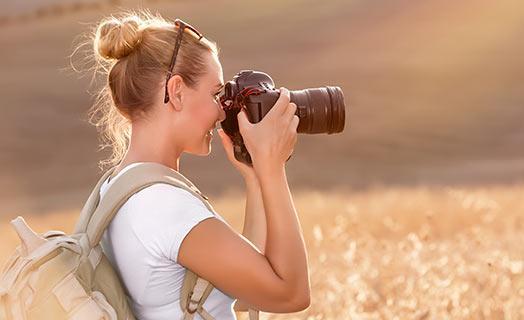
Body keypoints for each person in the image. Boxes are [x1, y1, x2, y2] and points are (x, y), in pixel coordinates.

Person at [85, 9, 310, 320]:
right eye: (215, 93)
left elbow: (248, 287)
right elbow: (291, 294)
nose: (222, 113)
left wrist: (256, 179)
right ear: (176, 92)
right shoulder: (164, 205)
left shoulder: (120, 188)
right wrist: (273, 168)